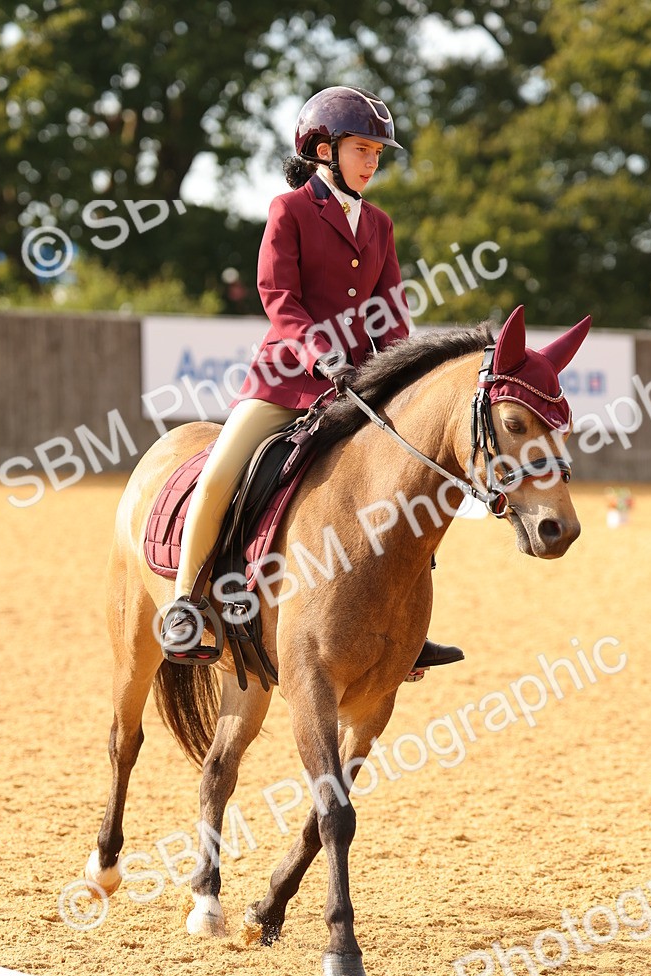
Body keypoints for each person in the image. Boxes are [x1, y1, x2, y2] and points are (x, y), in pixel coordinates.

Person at [161, 85, 463, 676]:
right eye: (362, 148)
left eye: (378, 151)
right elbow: (280, 298)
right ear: (322, 149)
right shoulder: (290, 210)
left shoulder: (379, 223)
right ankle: (184, 605)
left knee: (407, 483)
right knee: (220, 474)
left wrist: (403, 373)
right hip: (288, 380)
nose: (373, 161)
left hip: (357, 389)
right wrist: (324, 356)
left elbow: (391, 313)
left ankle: (402, 629)